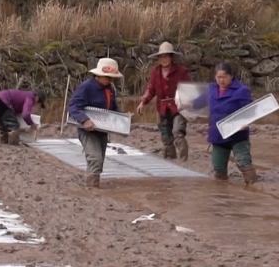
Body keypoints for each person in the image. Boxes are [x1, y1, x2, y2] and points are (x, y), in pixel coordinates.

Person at [68, 57, 124, 188]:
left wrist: (123, 117)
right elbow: (73, 106)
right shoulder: (86, 87)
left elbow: (113, 109)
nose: (111, 80)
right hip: (87, 130)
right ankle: (92, 189)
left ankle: (93, 184)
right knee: (95, 159)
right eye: (108, 77)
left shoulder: (110, 89)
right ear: (98, 75)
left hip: (102, 130)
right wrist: (85, 120)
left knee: (100, 160)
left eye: (112, 78)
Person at [199, 62, 259, 184]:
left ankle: (254, 186)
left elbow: (250, 111)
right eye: (218, 77)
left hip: (238, 133)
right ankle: (222, 193)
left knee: (244, 163)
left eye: (224, 77)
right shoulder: (211, 89)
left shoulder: (242, 91)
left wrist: (245, 123)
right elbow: (199, 102)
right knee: (219, 171)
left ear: (231, 76)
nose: (221, 80)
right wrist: (186, 104)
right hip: (218, 134)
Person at [134, 42, 191, 160]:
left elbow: (188, 88)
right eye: (161, 57)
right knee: (165, 135)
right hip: (163, 107)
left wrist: (189, 102)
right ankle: (171, 157)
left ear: (171, 57)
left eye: (166, 56)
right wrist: (143, 102)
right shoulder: (155, 72)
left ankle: (184, 158)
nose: (163, 59)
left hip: (179, 107)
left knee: (177, 132)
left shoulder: (181, 71)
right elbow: (151, 89)